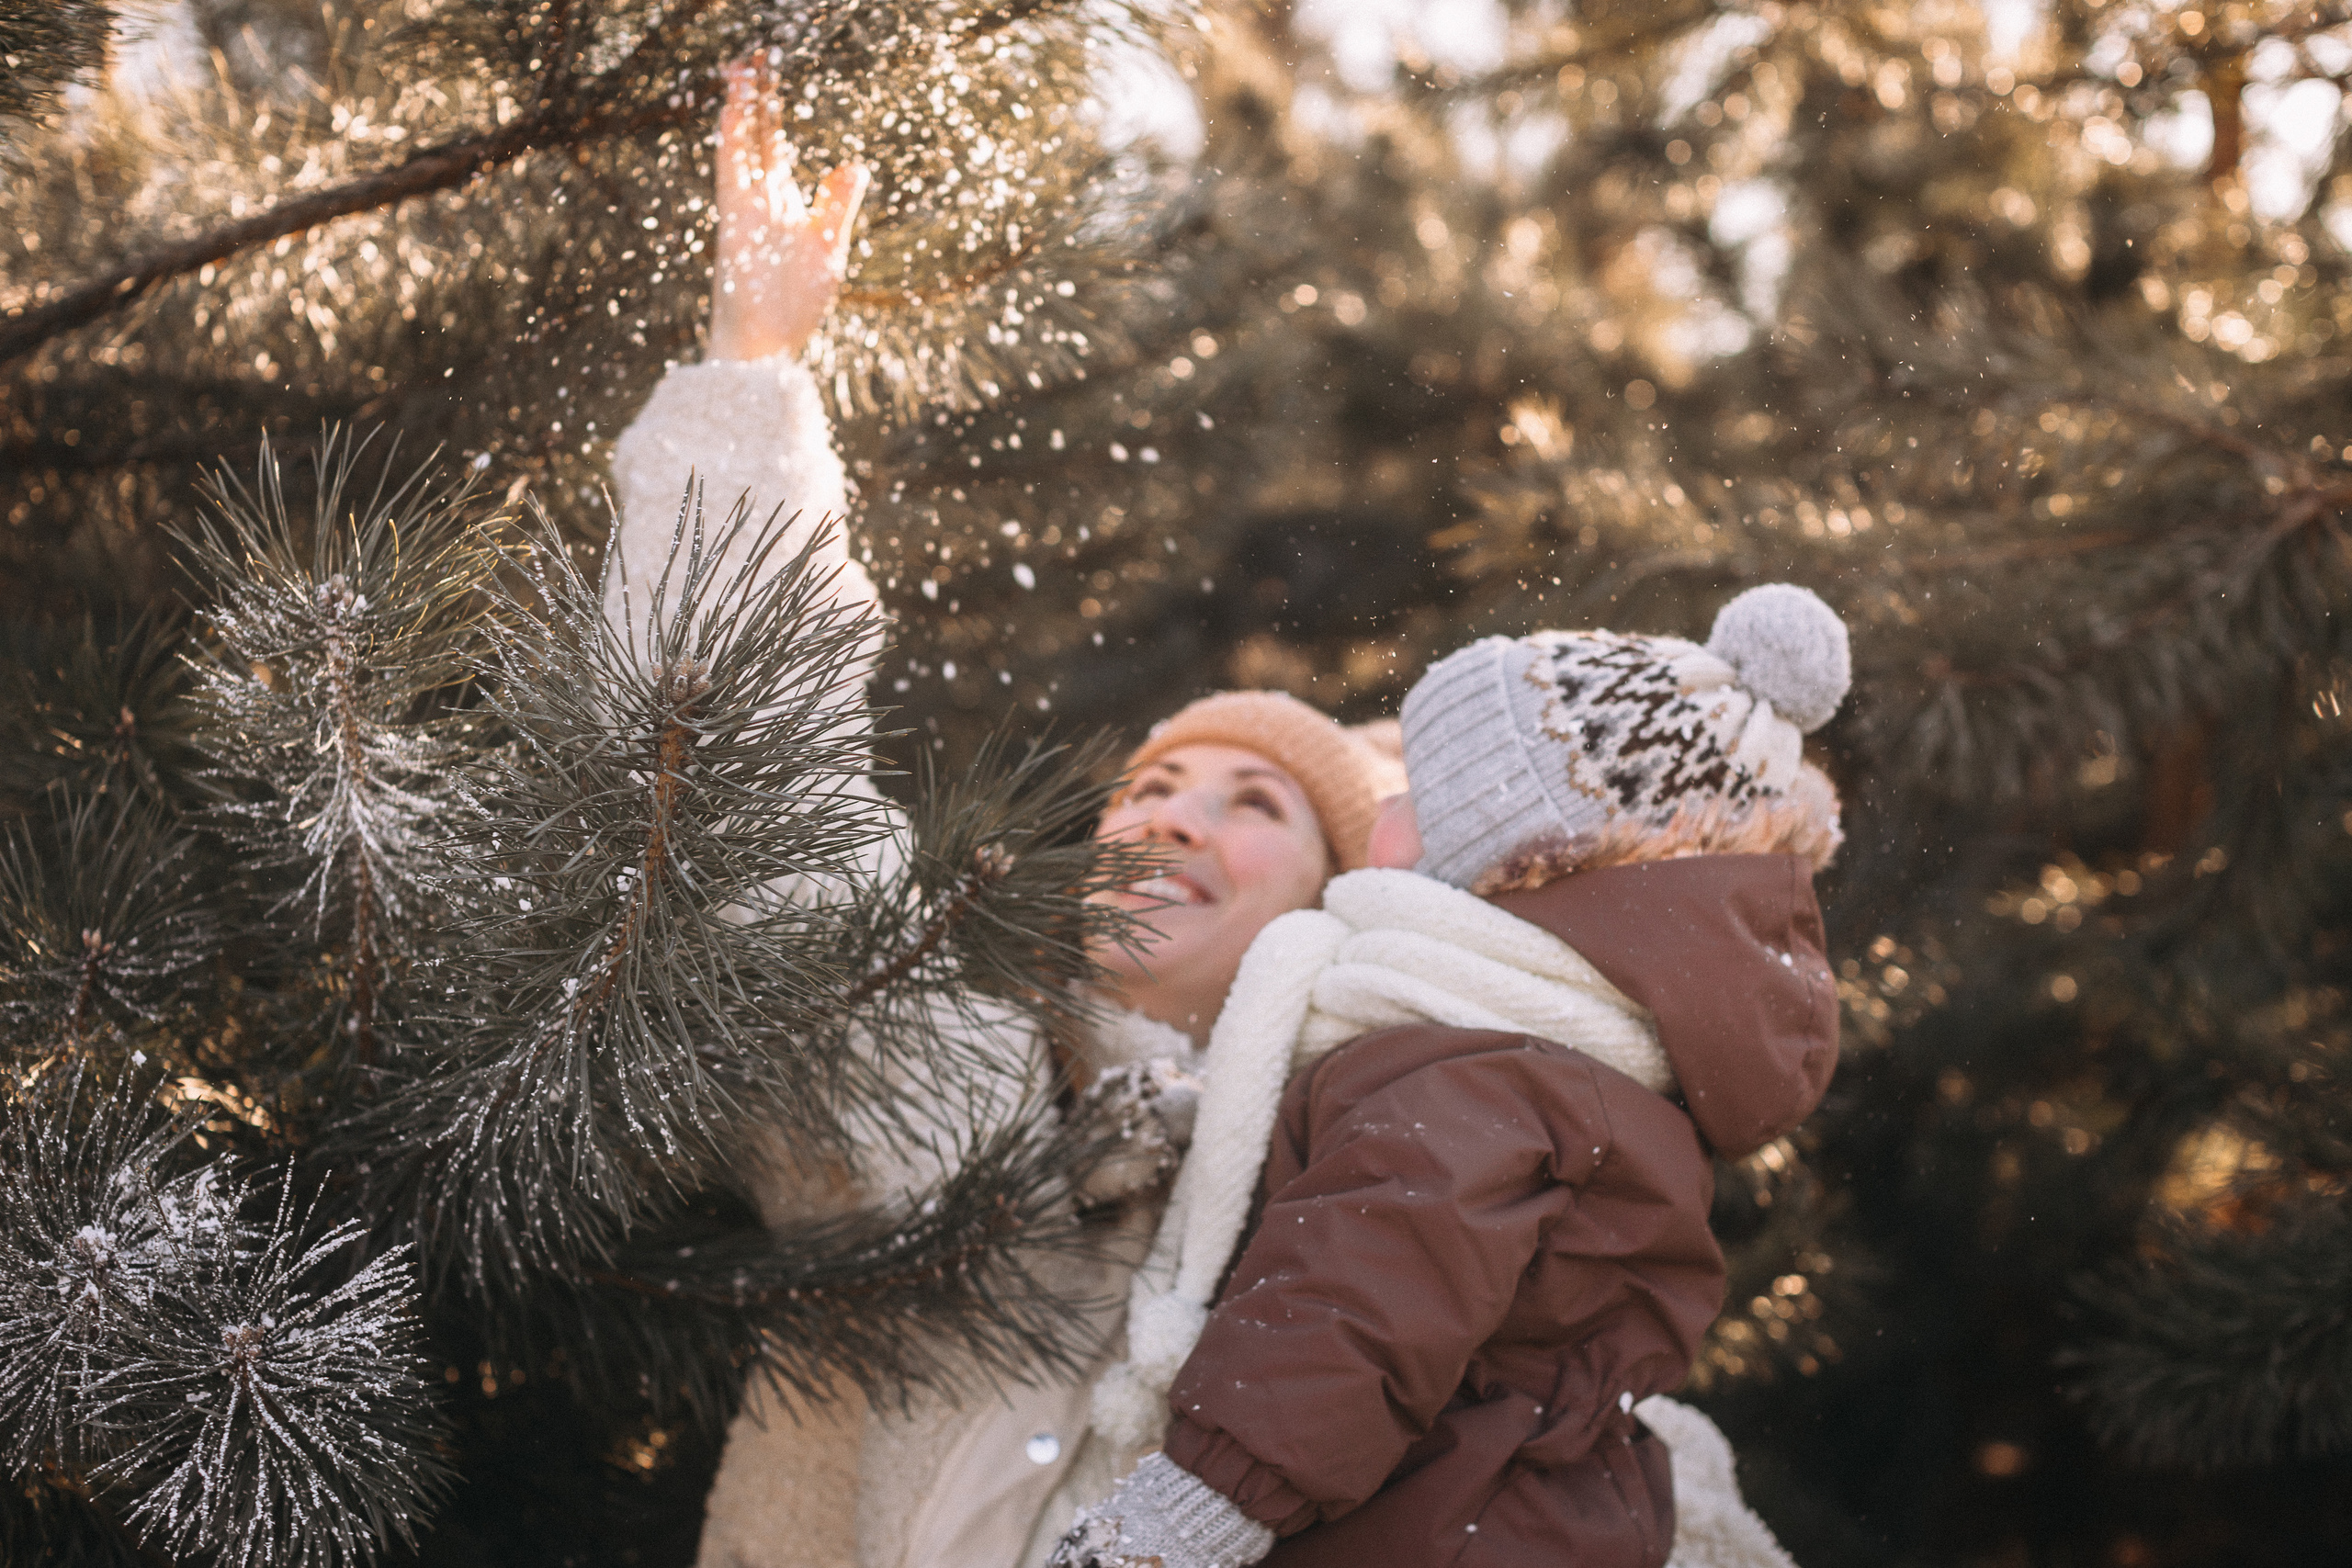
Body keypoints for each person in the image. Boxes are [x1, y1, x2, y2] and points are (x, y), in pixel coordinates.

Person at [600, 61, 1390, 1568]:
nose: (1170, 819)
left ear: (1328, 899)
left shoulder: (1360, 1179)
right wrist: (752, 369)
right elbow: (740, 803)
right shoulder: (948, 1067)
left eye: (1252, 804)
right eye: (1150, 787)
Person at [1049, 587, 1851, 1568]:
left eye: (1412, 795)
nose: (1382, 801)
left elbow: (1352, 1309)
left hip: (1436, 1529)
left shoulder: (1471, 1076)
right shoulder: (1550, 1060)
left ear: (1502, 863)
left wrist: (1185, 1516)